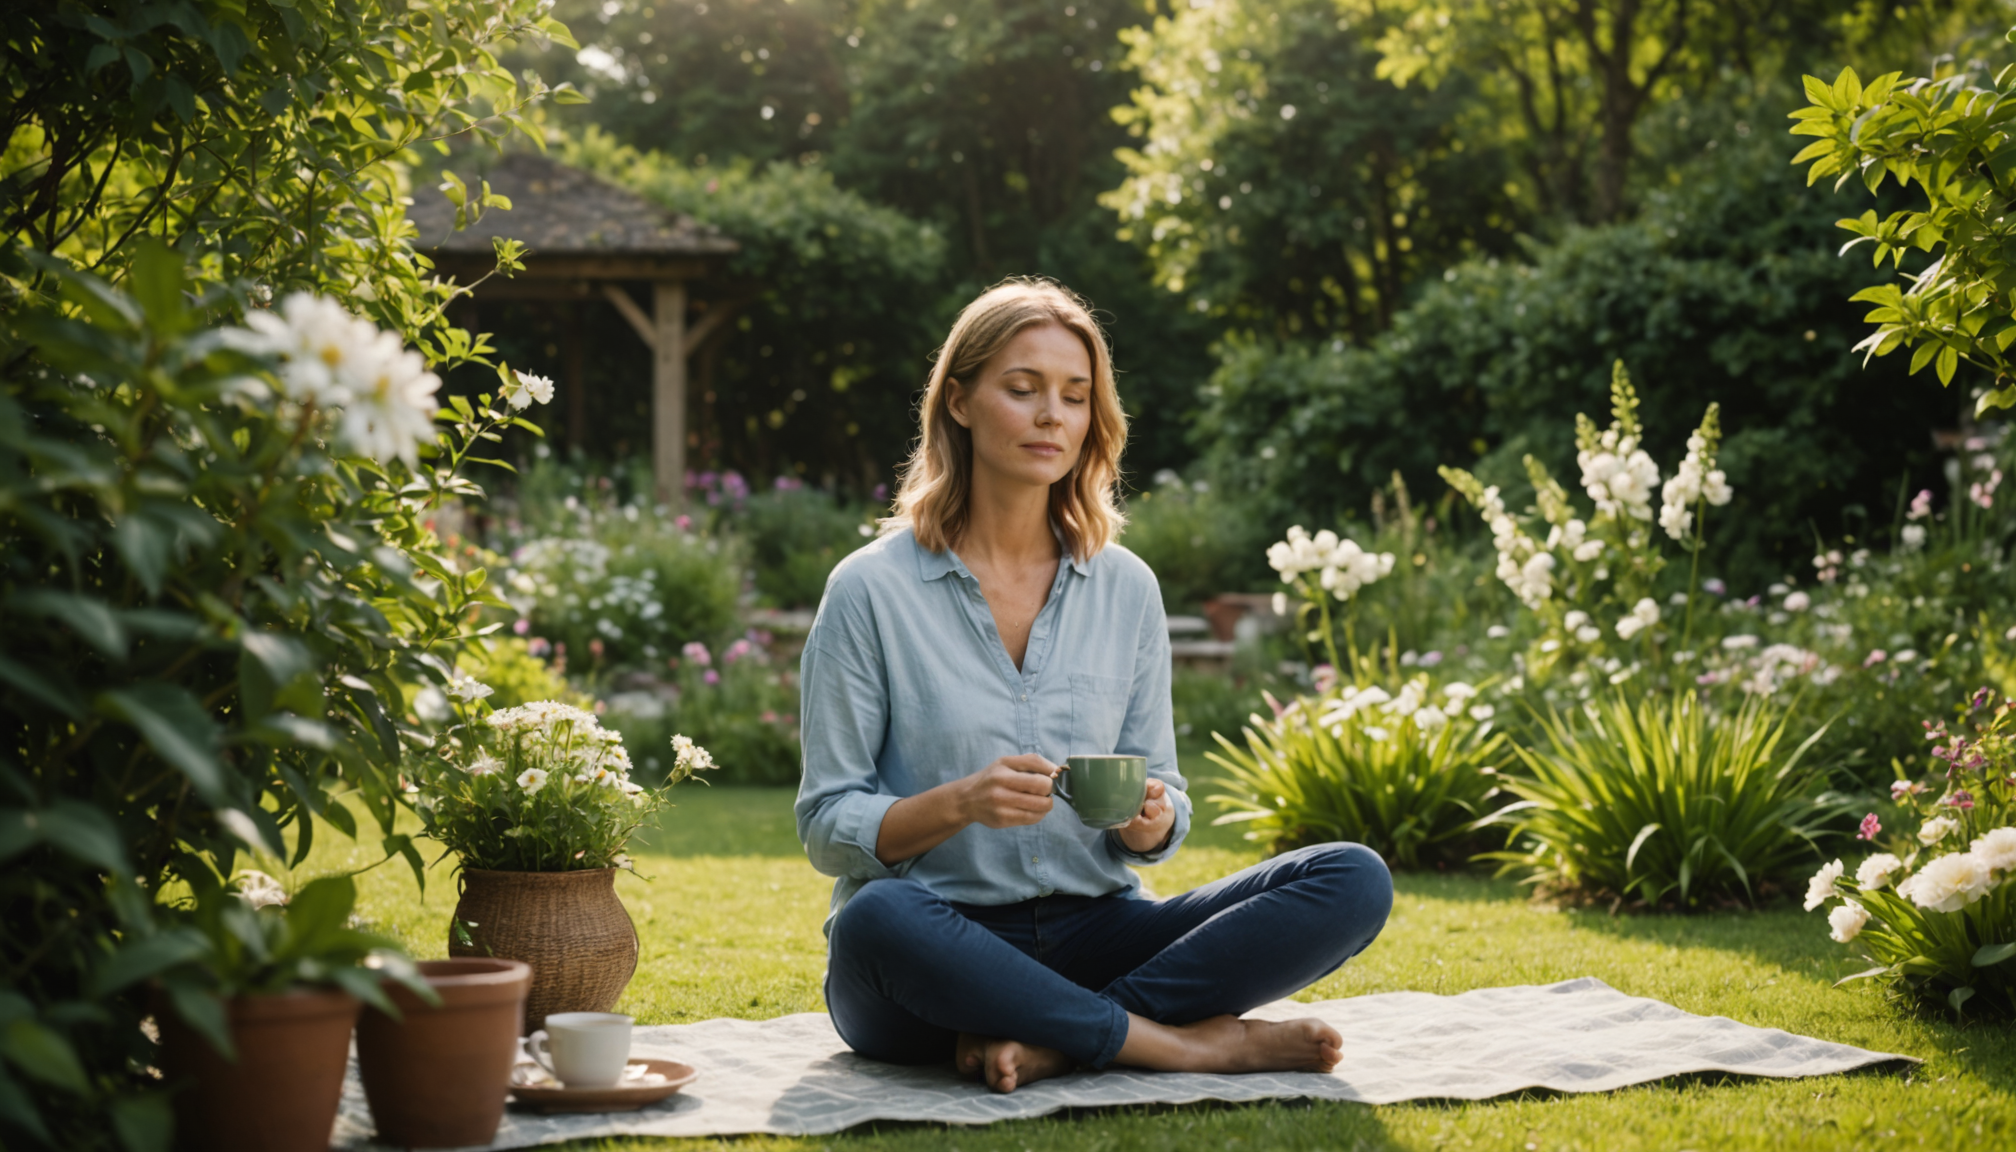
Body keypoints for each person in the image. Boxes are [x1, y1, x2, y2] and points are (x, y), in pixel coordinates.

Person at [794, 278, 1393, 1094]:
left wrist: (1153, 822)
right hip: (931, 944)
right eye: (1023, 389)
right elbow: (828, 823)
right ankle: (1178, 1046)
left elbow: (1167, 791)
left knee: (1352, 877)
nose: (1052, 416)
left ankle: (1056, 1039)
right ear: (960, 402)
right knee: (873, 919)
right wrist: (959, 804)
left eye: (1075, 397)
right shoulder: (869, 590)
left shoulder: (1126, 587)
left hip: (1098, 927)